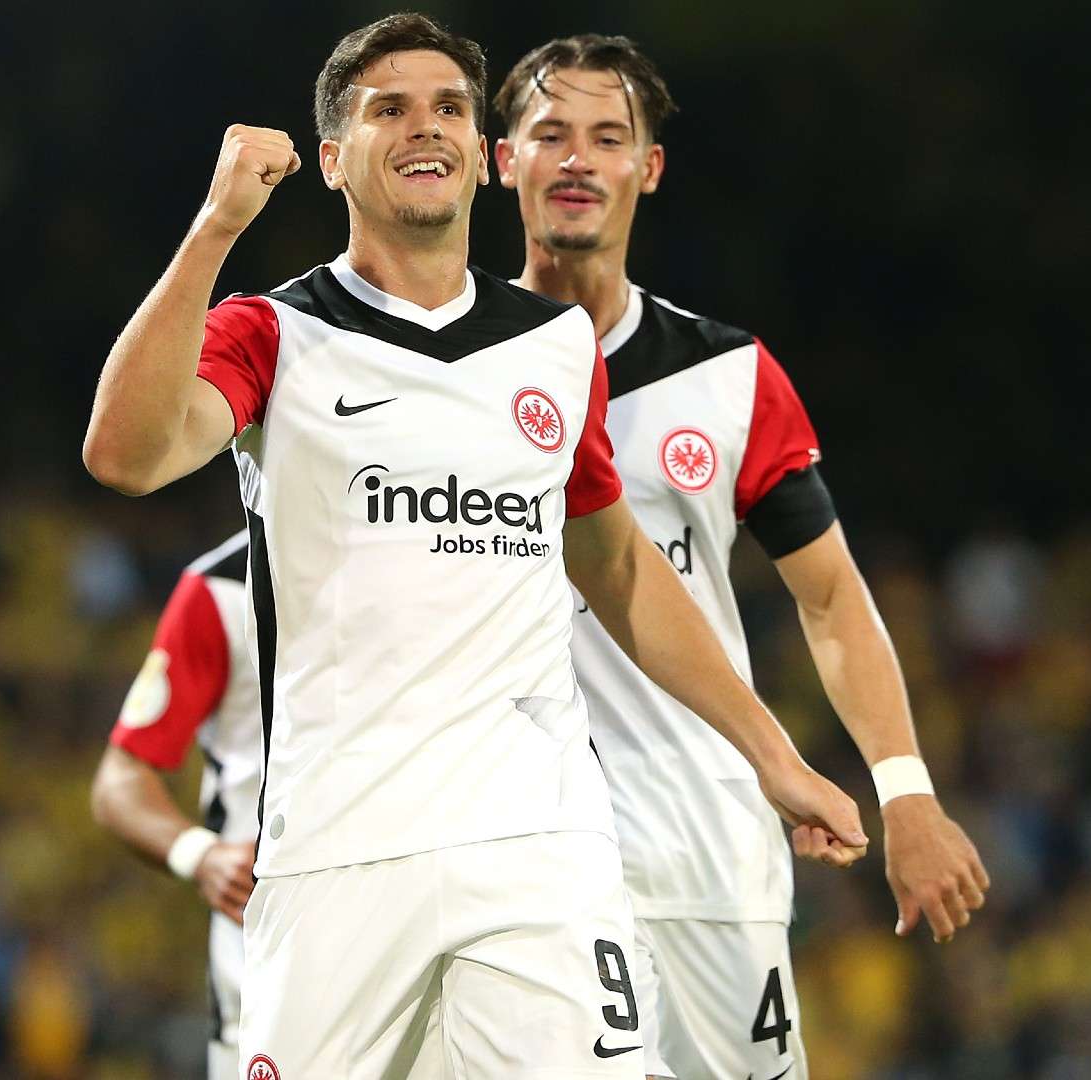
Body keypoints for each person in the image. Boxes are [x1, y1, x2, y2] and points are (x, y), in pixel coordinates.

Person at [79, 14, 866, 1077]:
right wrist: (216, 227)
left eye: (448, 106)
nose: (426, 126)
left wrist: (774, 756)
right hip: (340, 848)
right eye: (389, 109)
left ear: (481, 154)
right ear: (332, 158)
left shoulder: (554, 346)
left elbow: (618, 568)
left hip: (535, 843)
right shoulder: (273, 333)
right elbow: (125, 455)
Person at [491, 35, 991, 1080]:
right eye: (550, 133)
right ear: (504, 160)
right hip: (517, 852)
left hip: (704, 848)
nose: (577, 159)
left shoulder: (728, 377)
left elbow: (831, 599)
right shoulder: (446, 368)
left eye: (608, 137)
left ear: (649, 168)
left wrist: (904, 790)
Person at [89, 531, 260, 1077]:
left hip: (428, 917)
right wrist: (200, 855)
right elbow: (120, 778)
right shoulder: (221, 588)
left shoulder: (452, 552)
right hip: (265, 942)